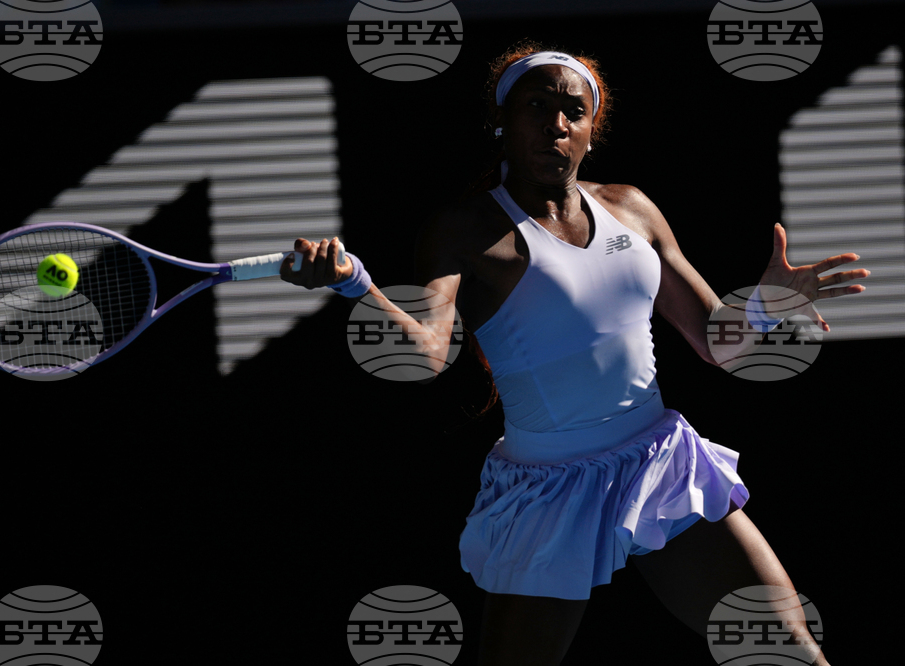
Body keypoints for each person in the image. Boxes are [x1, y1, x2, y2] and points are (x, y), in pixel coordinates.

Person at [281, 40, 868, 666]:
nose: (555, 124)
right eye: (536, 106)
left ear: (591, 129)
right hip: (548, 492)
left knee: (788, 649)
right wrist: (357, 286)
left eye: (573, 111)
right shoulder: (465, 230)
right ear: (502, 120)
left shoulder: (631, 208)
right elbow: (425, 355)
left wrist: (766, 305)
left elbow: (715, 342)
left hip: (659, 466)